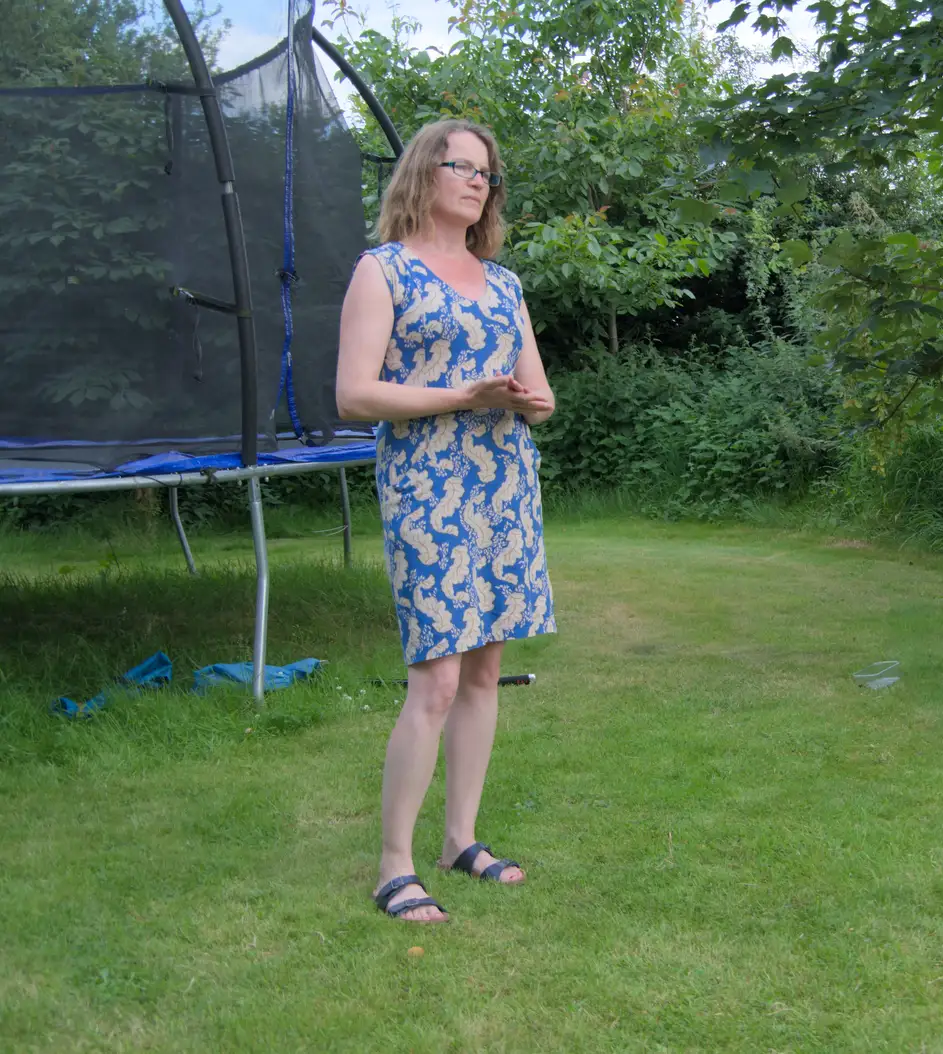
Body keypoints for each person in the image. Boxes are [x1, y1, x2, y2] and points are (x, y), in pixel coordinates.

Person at [335, 119, 557, 923]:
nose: (477, 181)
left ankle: (459, 839)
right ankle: (394, 864)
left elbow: (543, 395)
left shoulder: (503, 284)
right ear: (424, 172)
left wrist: (522, 399)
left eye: (487, 174)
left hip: (503, 484)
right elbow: (355, 395)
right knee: (434, 676)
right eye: (462, 166)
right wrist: (464, 395)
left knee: (487, 671)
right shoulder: (382, 270)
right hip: (428, 485)